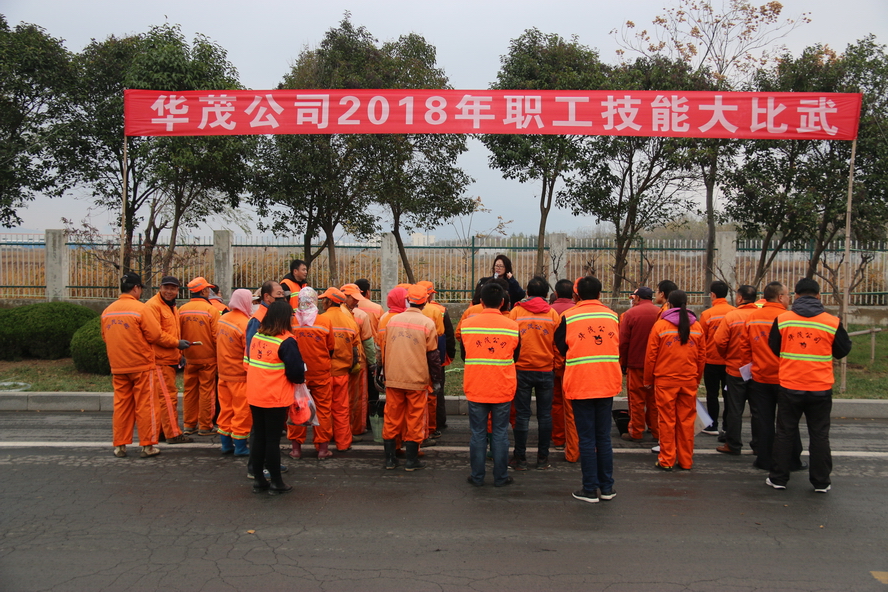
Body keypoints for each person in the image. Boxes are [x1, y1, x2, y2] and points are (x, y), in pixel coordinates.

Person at [766, 278, 851, 493]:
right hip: (819, 387)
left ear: (795, 296)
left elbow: (774, 347)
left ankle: (778, 478)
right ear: (819, 296)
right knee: (819, 434)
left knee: (785, 433)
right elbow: (842, 350)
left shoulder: (783, 319)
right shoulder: (831, 321)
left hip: (790, 384)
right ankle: (821, 482)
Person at [555, 276, 620, 504]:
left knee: (586, 438)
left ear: (577, 295)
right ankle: (607, 487)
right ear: (600, 294)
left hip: (581, 383)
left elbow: (560, 346)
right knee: (603, 437)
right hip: (606, 382)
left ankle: (590, 488)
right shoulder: (612, 316)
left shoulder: (569, 317)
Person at [460, 282, 520, 486]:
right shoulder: (512, 326)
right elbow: (516, 356)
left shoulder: (467, 324)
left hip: (476, 385)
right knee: (500, 432)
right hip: (502, 386)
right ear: (503, 302)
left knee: (478, 433)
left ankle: (477, 477)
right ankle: (501, 477)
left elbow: (464, 355)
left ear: (481, 301)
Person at [742, 282, 804, 472]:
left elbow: (744, 347)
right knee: (788, 421)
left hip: (760, 376)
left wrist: (750, 368)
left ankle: (764, 459)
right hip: (785, 377)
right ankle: (792, 460)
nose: (789, 298)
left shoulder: (752, 317)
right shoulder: (788, 318)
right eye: (787, 295)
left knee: (764, 421)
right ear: (780, 297)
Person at [246, 300, 305, 495]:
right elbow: (296, 373)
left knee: (259, 437)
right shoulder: (286, 341)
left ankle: (259, 480)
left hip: (255, 395)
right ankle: (276, 482)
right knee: (272, 440)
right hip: (275, 397)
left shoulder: (257, 336)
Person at [101, 272, 163, 459]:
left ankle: (120, 445)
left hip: (118, 366)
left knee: (121, 405)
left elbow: (105, 337)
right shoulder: (141, 309)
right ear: (136, 288)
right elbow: (155, 335)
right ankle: (147, 445)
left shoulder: (108, 311)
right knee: (146, 405)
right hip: (141, 365)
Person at [381, 284, 442, 471]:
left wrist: (383, 372)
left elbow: (385, 349)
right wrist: (436, 379)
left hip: (394, 378)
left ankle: (390, 460)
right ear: (425, 302)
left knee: (391, 417)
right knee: (415, 418)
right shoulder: (427, 323)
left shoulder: (392, 321)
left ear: (408, 300)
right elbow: (433, 356)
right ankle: (411, 460)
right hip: (416, 380)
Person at [645, 290, 705, 471]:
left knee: (666, 420)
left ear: (669, 304)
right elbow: (702, 357)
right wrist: (696, 378)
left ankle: (667, 459)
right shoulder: (697, 326)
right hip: (689, 380)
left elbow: (651, 356)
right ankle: (686, 460)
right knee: (686, 421)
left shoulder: (660, 326)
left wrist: (648, 379)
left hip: (665, 381)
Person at [507, 276, 560, 471]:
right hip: (545, 370)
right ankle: (542, 458)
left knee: (522, 415)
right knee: (545, 415)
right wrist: (555, 365)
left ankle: (520, 458)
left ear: (527, 292)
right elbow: (557, 345)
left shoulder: (516, 312)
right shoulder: (552, 314)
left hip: (521, 369)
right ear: (546, 294)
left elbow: (510, 341)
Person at [288, 287, 336, 460]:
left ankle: (296, 449)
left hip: (298, 374)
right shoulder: (324, 321)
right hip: (320, 373)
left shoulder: (292, 321)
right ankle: (322, 449)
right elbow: (331, 348)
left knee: (297, 408)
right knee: (323, 410)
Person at [144, 275, 193, 445]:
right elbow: (156, 335)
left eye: (173, 288)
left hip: (168, 358)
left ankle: (162, 431)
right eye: (166, 288)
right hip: (160, 360)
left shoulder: (171, 306)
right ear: (160, 288)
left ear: (178, 290)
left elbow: (171, 331)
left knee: (162, 398)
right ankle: (172, 433)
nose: (169, 291)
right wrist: (177, 344)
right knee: (167, 397)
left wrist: (179, 354)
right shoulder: (153, 306)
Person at [713, 284, 759, 455]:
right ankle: (759, 445)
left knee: (734, 408)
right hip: (758, 369)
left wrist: (727, 356)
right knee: (758, 409)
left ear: (739, 298)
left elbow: (720, 341)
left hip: (735, 369)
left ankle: (733, 444)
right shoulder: (760, 316)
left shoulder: (732, 316)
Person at [319, 287, 360, 452]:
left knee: (323, 409)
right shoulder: (350, 321)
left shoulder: (320, 320)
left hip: (324, 374)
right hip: (342, 373)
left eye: (324, 299)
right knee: (341, 409)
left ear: (329, 302)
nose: (322, 302)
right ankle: (343, 443)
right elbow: (355, 350)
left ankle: (322, 442)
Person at [179, 276, 221, 436]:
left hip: (189, 358)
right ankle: (205, 425)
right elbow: (217, 336)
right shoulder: (211, 310)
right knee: (207, 391)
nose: (209, 291)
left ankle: (189, 424)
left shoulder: (181, 310)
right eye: (207, 289)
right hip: (208, 358)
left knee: (189, 391)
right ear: (203, 291)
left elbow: (177, 333)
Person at [618, 286, 660, 443]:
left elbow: (623, 341)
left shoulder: (630, 314)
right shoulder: (660, 313)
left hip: (635, 363)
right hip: (656, 364)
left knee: (636, 399)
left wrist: (623, 362)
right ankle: (656, 430)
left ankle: (636, 431)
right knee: (654, 400)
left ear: (638, 298)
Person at [216, 288, 253, 456]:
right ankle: (240, 446)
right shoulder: (245, 324)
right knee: (241, 411)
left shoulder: (223, 319)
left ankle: (226, 444)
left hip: (223, 374)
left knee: (226, 409)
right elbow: (249, 351)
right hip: (239, 376)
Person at [417, 281, 456, 433]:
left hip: (416, 357)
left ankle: (420, 424)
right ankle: (438, 422)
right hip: (435, 356)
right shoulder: (439, 310)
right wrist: (449, 355)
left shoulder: (406, 311)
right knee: (436, 389)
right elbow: (447, 336)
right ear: (429, 295)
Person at [699, 281, 735, 436]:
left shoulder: (707, 315)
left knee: (712, 394)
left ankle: (712, 425)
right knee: (729, 395)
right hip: (730, 361)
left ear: (712, 295)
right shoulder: (734, 313)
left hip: (711, 360)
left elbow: (701, 338)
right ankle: (727, 425)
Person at [341, 283, 375, 439]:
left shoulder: (329, 315)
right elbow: (368, 342)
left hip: (338, 364)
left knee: (340, 398)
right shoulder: (361, 316)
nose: (356, 301)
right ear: (344, 297)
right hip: (357, 363)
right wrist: (372, 362)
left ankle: (340, 430)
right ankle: (355, 428)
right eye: (353, 298)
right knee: (357, 398)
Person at [549, 279, 575, 453]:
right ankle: (573, 440)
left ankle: (558, 438)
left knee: (556, 402)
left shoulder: (550, 311)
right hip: (573, 364)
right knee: (573, 404)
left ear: (556, 294)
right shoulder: (576, 311)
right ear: (573, 294)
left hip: (553, 364)